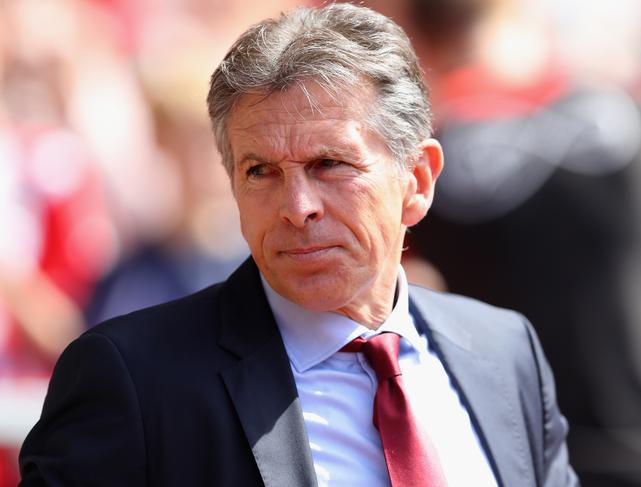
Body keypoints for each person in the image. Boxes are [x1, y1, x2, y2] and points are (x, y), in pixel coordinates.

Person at [18, 4, 578, 486]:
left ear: (419, 180)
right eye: (261, 171)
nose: (297, 206)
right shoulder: (134, 379)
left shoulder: (505, 352)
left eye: (329, 164)